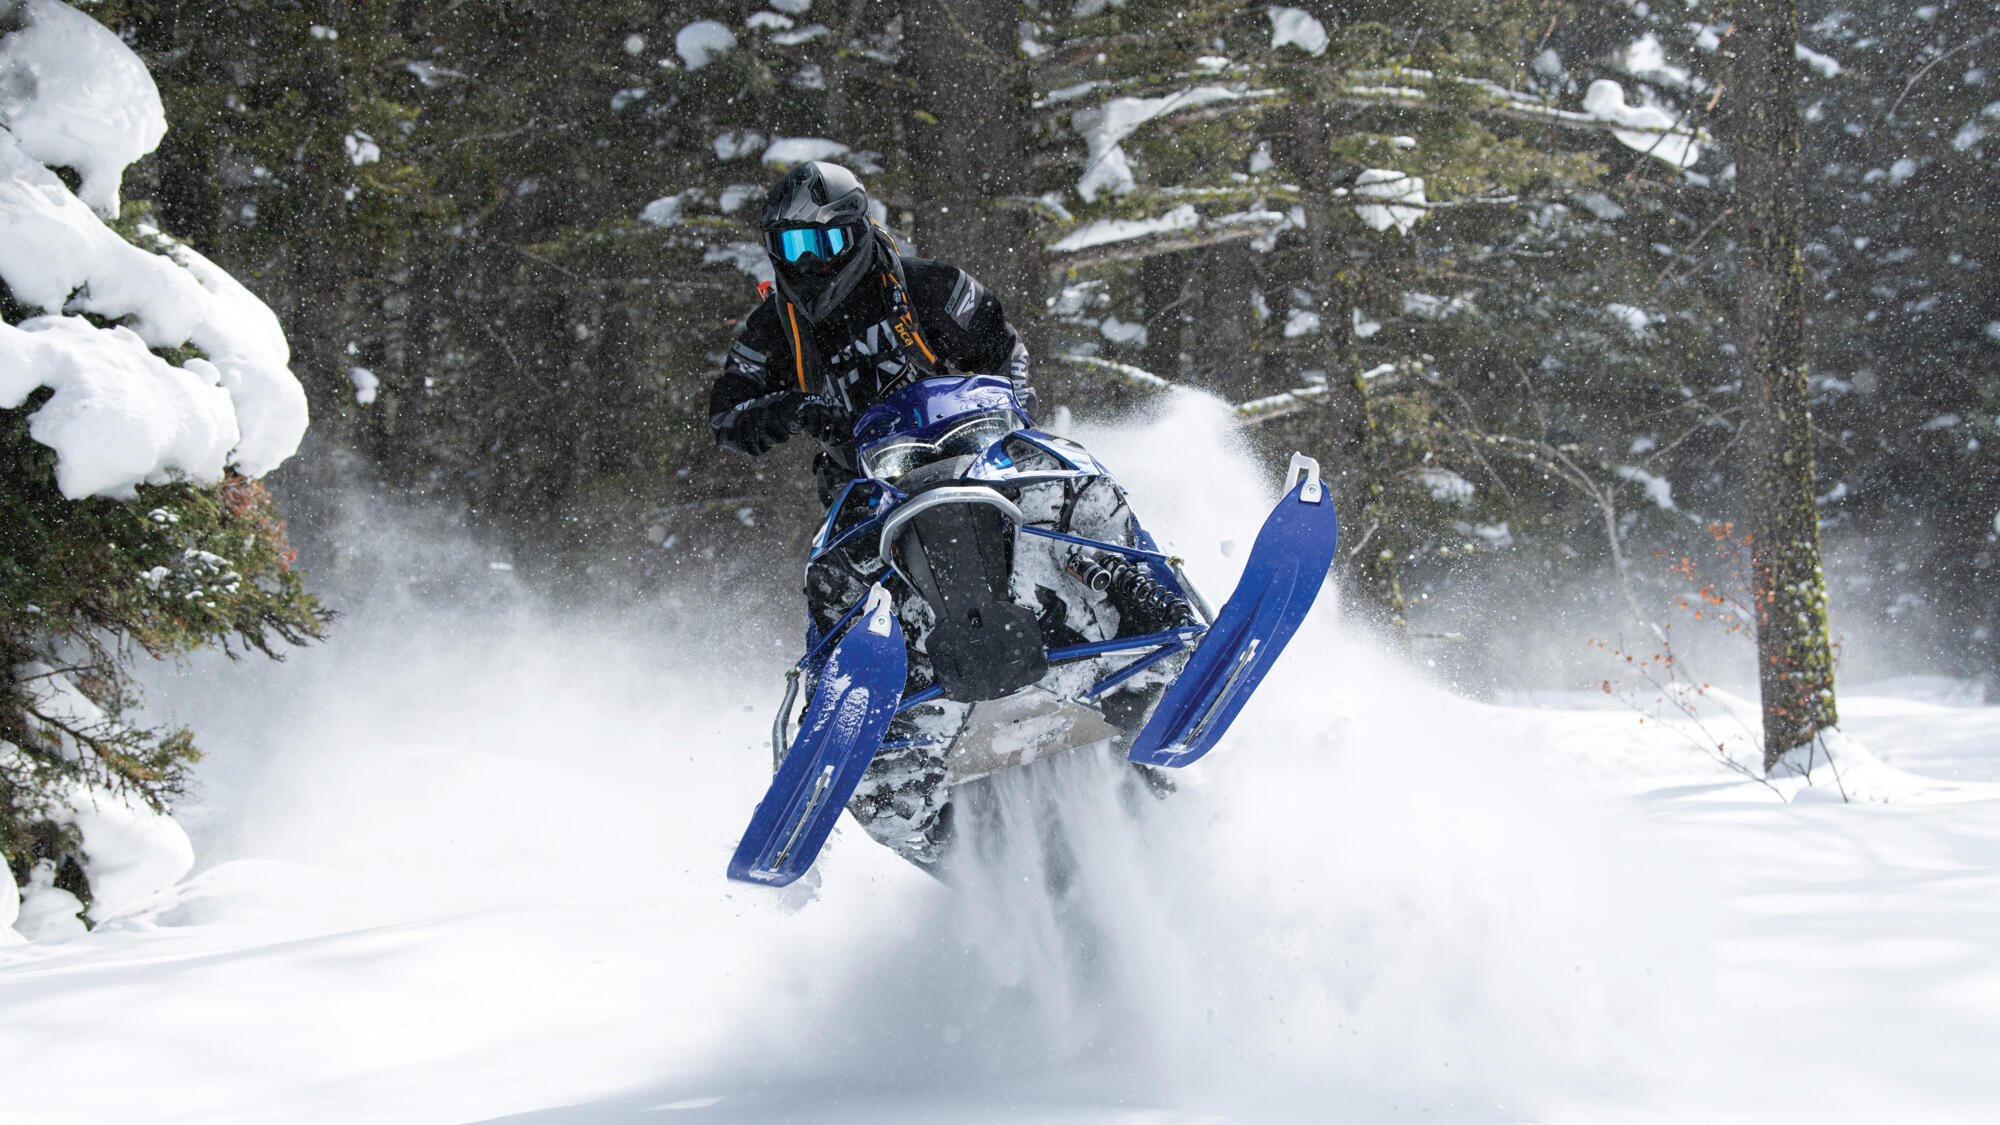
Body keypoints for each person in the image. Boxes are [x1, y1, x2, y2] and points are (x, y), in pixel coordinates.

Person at [708, 161, 1036, 504]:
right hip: (863, 488)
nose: (808, 261)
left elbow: (1004, 348)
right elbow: (726, 415)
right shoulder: (774, 328)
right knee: (834, 539)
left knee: (1041, 492)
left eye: (824, 243)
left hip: (964, 454)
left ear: (856, 232)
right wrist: (794, 411)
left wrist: (1017, 430)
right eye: (793, 245)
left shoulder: (929, 285)